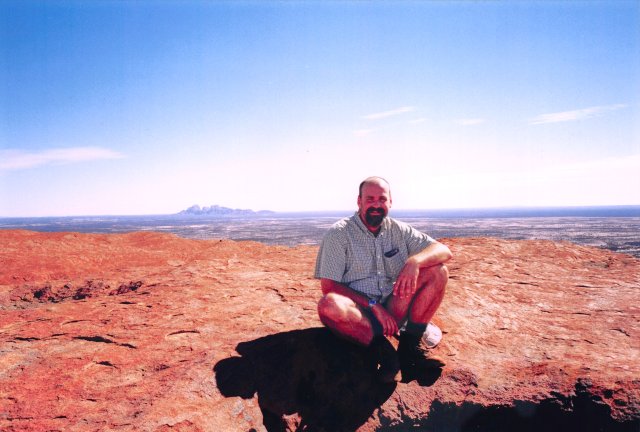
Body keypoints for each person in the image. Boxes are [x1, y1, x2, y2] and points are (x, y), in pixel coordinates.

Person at [315, 176, 452, 382]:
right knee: (329, 305)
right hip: (359, 315)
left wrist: (414, 262)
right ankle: (383, 353)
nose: (376, 205)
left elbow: (443, 251)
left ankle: (409, 348)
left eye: (382, 199)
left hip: (394, 309)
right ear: (359, 201)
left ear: (390, 202)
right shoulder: (339, 234)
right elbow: (329, 286)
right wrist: (373, 307)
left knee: (438, 271)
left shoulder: (398, 230)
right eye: (370, 199)